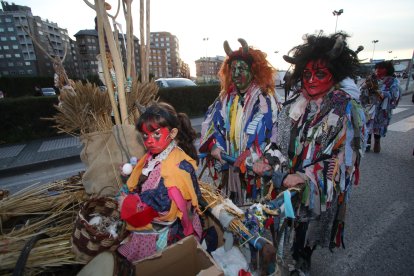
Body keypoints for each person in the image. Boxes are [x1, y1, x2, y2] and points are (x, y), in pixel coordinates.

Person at [260, 32, 366, 275]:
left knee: (307, 229)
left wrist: (307, 178)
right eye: (307, 73)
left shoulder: (343, 109)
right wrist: (268, 159)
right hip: (286, 183)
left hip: (318, 188)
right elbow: (277, 141)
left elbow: (341, 159)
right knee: (285, 222)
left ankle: (303, 260)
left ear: (334, 74)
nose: (311, 79)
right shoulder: (292, 106)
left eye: (320, 73)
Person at [116, 102, 202, 262]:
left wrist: (127, 202)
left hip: (168, 234)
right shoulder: (157, 154)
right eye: (145, 135)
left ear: (173, 132)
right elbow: (152, 177)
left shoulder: (176, 168)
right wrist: (135, 171)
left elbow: (162, 204)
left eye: (156, 134)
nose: (149, 141)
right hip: (154, 226)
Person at [199, 38, 279, 206]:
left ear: (254, 71)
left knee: (253, 214)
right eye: (233, 68)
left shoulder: (264, 100)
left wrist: (256, 156)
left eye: (241, 68)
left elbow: (273, 135)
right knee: (232, 211)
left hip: (253, 173)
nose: (236, 74)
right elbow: (211, 125)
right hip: (230, 169)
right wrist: (214, 146)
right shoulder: (225, 99)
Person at [363, 61, 400, 153]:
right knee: (368, 124)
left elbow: (394, 95)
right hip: (370, 106)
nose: (378, 70)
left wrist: (381, 93)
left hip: (382, 108)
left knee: (379, 126)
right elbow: (363, 89)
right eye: (377, 68)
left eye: (381, 68)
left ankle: (377, 142)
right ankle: (367, 143)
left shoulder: (393, 81)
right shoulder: (372, 78)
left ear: (387, 70)